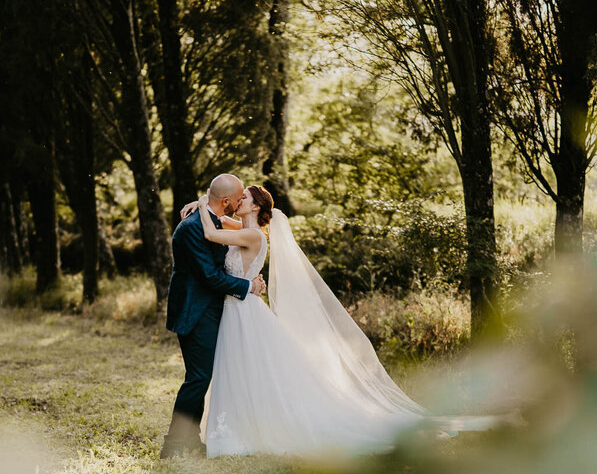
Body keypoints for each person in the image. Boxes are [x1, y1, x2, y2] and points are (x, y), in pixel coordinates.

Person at [177, 185, 490, 458]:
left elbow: (211, 231)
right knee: (243, 372)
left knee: (252, 371)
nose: (237, 200)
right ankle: (241, 426)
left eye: (243, 197)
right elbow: (222, 215)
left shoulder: (251, 234)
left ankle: (246, 431)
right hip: (238, 310)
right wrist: (204, 201)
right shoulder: (244, 226)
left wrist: (202, 206)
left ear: (255, 206)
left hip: (243, 311)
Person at [161, 174, 266, 458]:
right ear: (228, 201)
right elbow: (211, 277)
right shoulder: (194, 227)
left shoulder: (214, 220)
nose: (242, 199)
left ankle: (191, 440)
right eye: (239, 196)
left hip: (212, 311)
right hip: (195, 312)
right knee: (198, 378)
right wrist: (249, 286)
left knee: (200, 377)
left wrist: (201, 201)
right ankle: (172, 445)